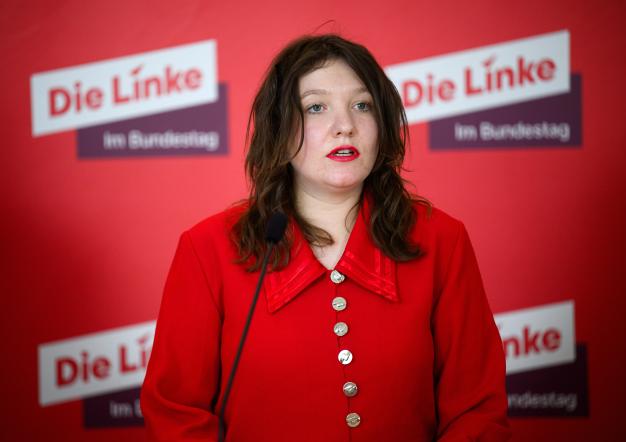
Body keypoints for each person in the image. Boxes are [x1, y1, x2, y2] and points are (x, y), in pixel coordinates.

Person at [141, 34, 511, 441]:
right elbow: (176, 413)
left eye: (362, 105)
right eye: (316, 107)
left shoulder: (443, 240)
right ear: (279, 131)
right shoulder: (208, 248)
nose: (345, 126)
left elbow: (477, 410)